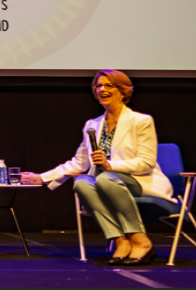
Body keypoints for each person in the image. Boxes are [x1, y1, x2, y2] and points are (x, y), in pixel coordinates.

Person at [21, 70, 173, 266]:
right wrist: (42, 177)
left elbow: (146, 163)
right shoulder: (92, 125)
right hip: (106, 183)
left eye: (108, 85)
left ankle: (141, 241)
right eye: (98, 86)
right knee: (82, 183)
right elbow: (79, 162)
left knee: (105, 178)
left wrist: (110, 165)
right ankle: (120, 240)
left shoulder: (141, 121)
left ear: (123, 91)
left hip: (137, 180)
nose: (102, 89)